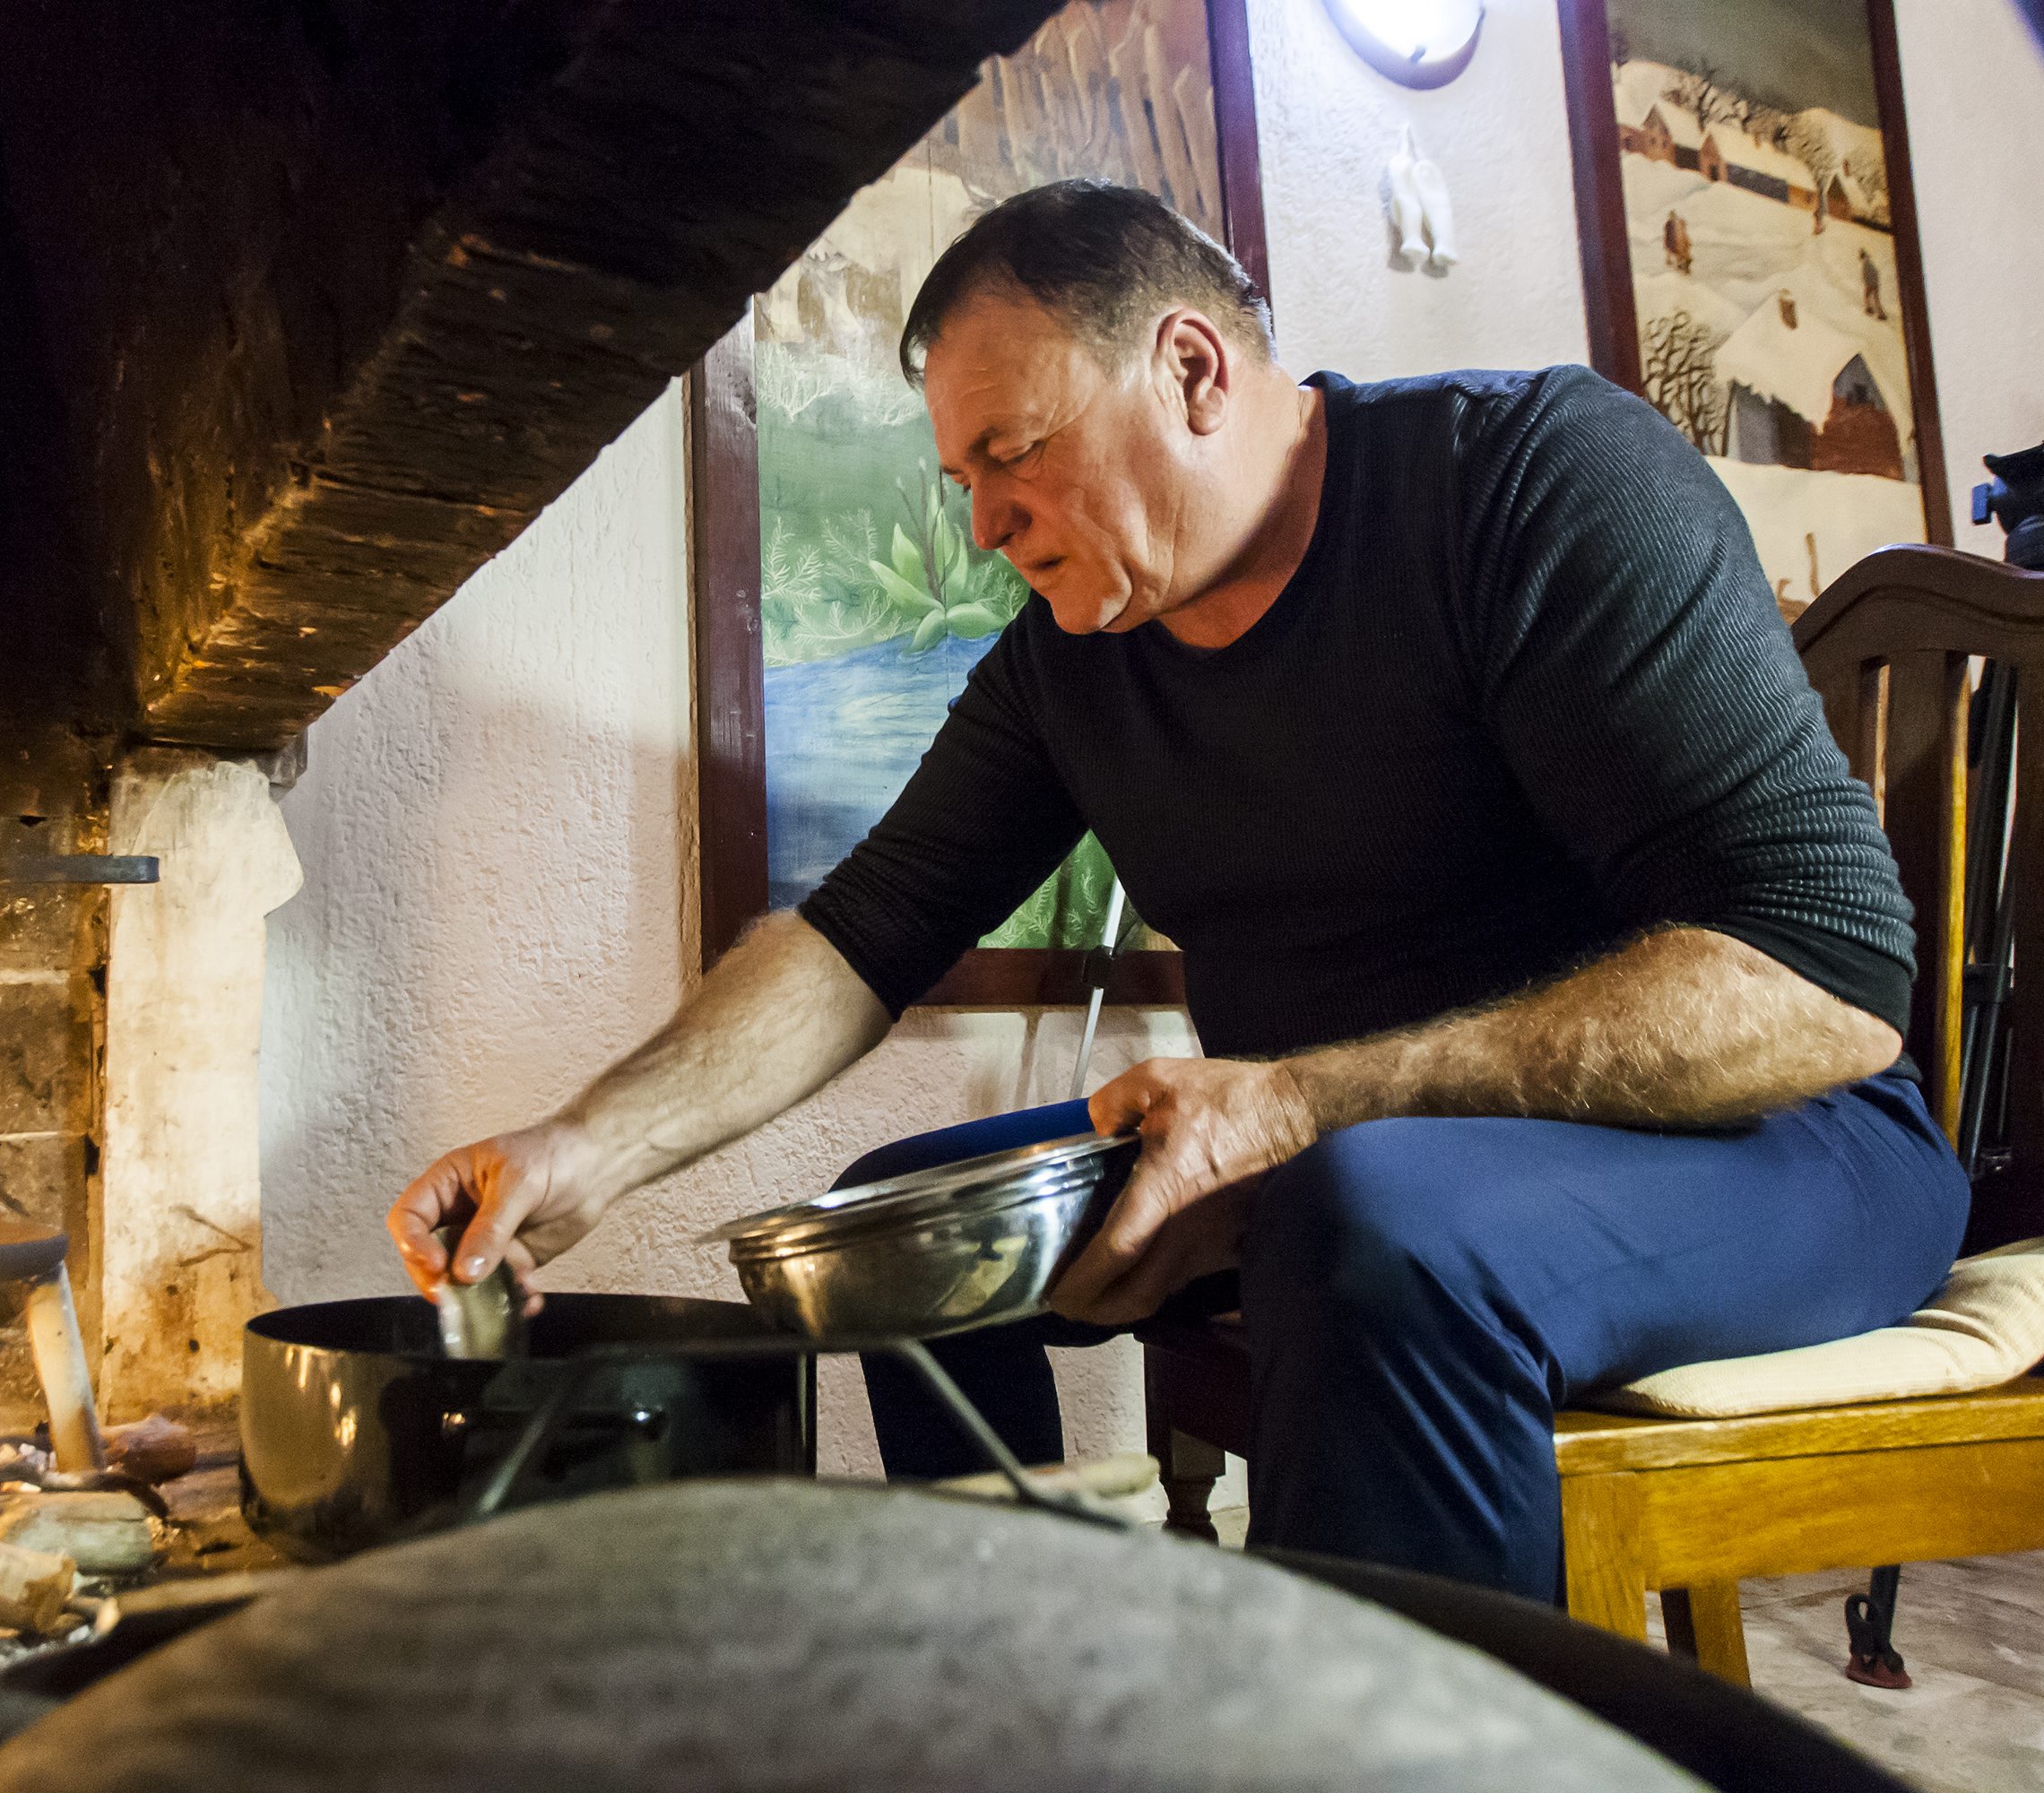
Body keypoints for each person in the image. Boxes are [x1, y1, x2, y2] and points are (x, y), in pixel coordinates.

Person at [385, 180, 1970, 1601]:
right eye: (965, 485)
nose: (990, 525)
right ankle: (1068, 1701)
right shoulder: (1075, 665)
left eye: (1013, 455)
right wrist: (583, 1148)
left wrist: (1299, 1108)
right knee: (905, 1229)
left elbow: (1827, 981)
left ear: (1194, 370)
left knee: (1370, 1214)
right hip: (1368, 1156)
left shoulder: (1528, 484)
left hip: (1784, 1144)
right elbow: (857, 939)